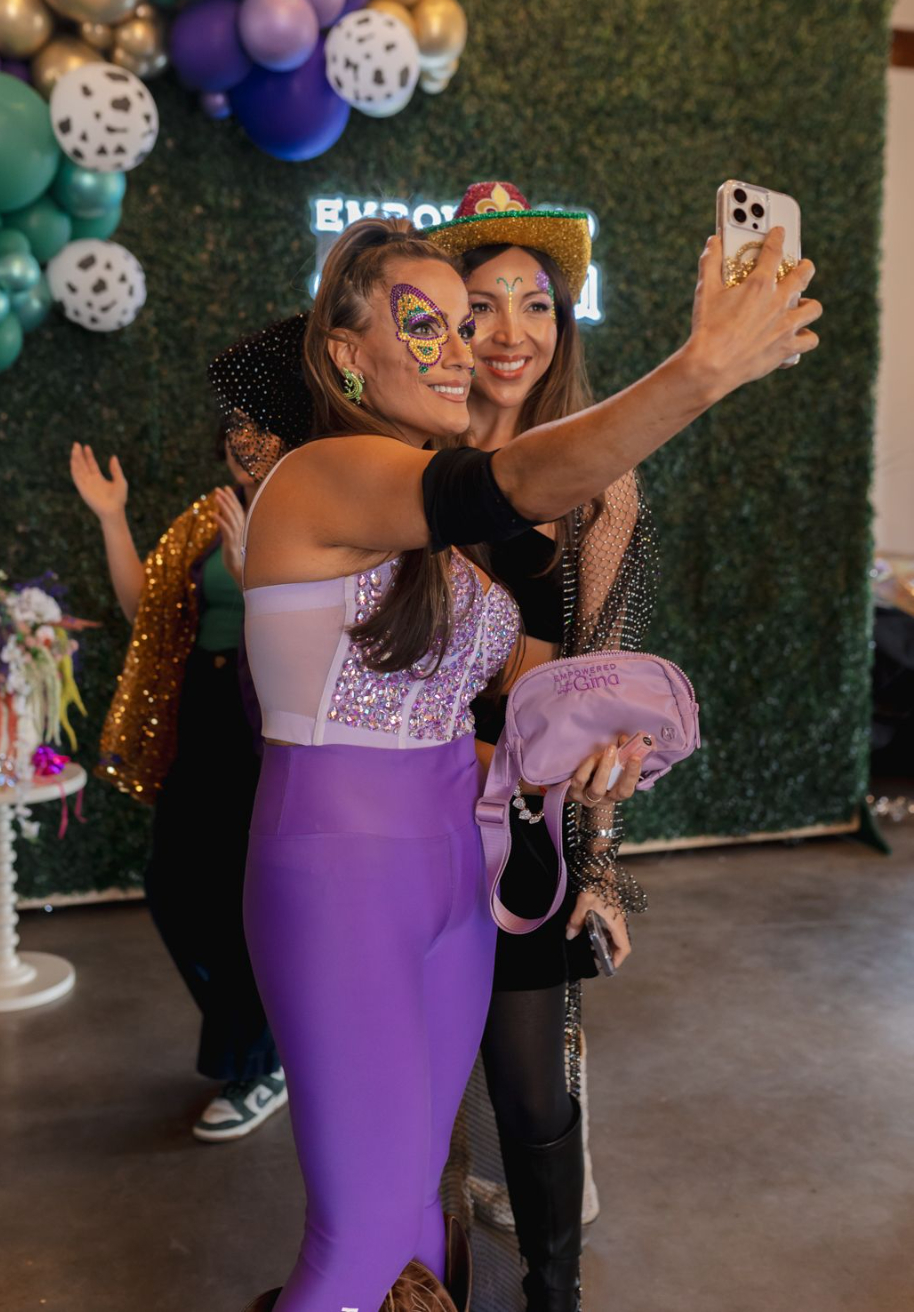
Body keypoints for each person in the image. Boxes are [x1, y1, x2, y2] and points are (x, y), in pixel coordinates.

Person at [216, 212, 819, 1312]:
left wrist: (599, 739)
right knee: (358, 1240)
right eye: (426, 324)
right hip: (345, 884)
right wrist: (700, 371)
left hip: (457, 874)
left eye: (463, 325)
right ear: (346, 352)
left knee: (417, 1213)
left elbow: (500, 693)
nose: (459, 350)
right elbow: (510, 485)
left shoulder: (429, 535)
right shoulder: (320, 477)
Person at [427, 181, 658, 1311]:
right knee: (415, 1086)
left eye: (537, 305)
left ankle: (552, 1294)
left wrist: (600, 864)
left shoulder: (602, 483)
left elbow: (602, 694)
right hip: (401, 806)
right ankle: (422, 1281)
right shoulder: (397, 466)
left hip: (524, 826)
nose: (511, 332)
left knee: (529, 1087)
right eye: (482, 305)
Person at [70, 318, 309, 1142]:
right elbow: (145, 611)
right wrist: (112, 517)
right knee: (174, 887)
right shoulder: (207, 518)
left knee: (250, 898)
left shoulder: (313, 515)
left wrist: (255, 575)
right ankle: (262, 1046)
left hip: (270, 722)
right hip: (203, 717)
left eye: (261, 431)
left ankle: (258, 1063)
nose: (246, 445)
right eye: (236, 432)